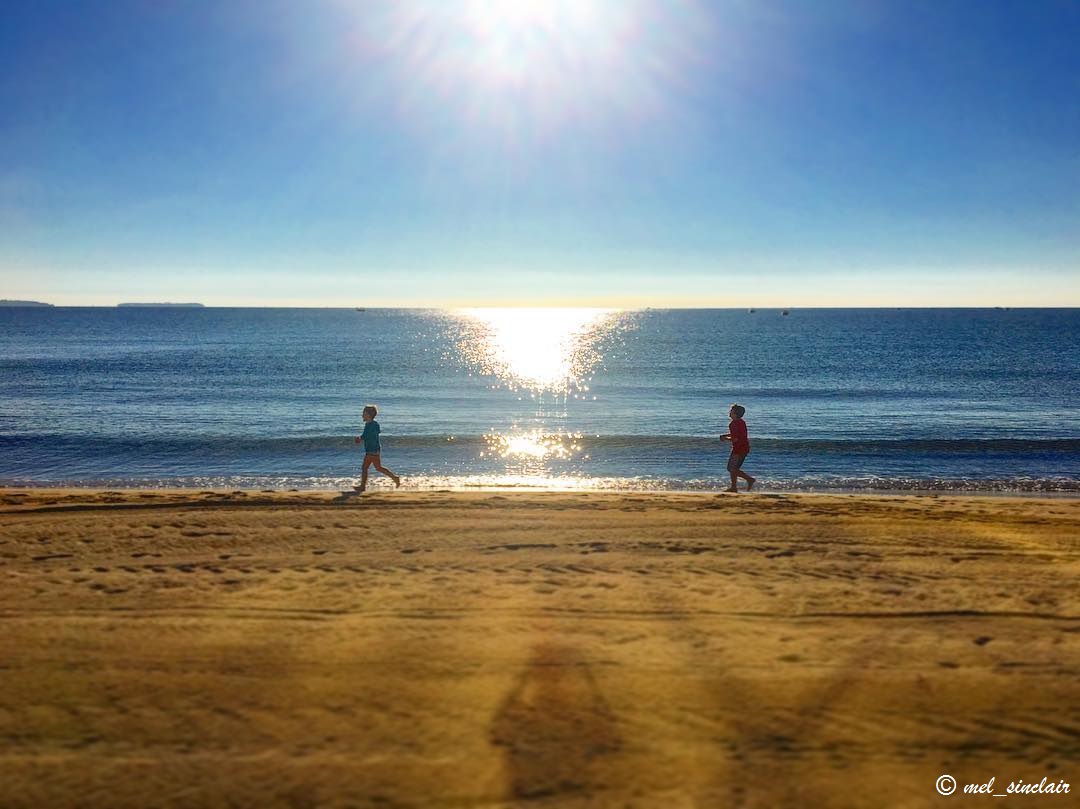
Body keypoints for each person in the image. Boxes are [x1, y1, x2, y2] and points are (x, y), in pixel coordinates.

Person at [354, 405, 401, 492]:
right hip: (373, 449)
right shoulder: (369, 424)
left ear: (369, 415)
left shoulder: (373, 424)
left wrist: (361, 438)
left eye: (363, 413)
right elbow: (367, 435)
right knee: (378, 468)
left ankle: (362, 487)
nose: (362, 415)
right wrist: (361, 438)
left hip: (373, 450)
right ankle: (395, 478)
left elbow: (371, 435)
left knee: (365, 467)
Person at [720, 403, 755, 493]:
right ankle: (734, 487)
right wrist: (726, 435)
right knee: (733, 468)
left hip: (739, 449)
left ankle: (749, 479)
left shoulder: (733, 424)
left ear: (735, 414)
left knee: (732, 468)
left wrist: (725, 438)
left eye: (731, 411)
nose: (729, 412)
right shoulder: (741, 422)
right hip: (743, 447)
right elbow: (737, 434)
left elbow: (735, 439)